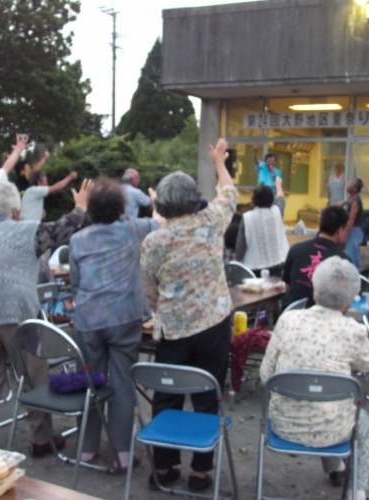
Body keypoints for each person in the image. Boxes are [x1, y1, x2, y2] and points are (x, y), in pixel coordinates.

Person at [0, 177, 89, 453]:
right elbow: (61, 230)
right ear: (15, 211)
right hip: (18, 314)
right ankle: (41, 439)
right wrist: (80, 207)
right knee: (33, 377)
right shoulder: (27, 231)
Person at [140, 138, 237, 493]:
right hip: (214, 324)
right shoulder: (211, 222)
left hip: (174, 329)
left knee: (167, 396)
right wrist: (219, 163)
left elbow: (149, 288)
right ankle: (200, 472)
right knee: (208, 396)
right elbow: (228, 193)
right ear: (194, 198)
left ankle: (163, 468)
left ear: (161, 205)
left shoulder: (154, 241)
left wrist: (160, 311)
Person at [260, 256, 369, 500]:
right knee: (360, 421)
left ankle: (336, 468)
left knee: (327, 401)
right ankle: (357, 493)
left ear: (314, 292)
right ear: (349, 302)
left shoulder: (288, 320)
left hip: (282, 425)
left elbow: (266, 375)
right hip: (332, 429)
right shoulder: (352, 331)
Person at [69, 177, 160, 470]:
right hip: (124, 318)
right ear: (122, 206)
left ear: (91, 209)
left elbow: (75, 283)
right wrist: (155, 200)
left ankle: (86, 448)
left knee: (91, 382)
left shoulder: (77, 239)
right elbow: (159, 220)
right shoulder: (134, 229)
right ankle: (123, 452)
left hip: (88, 319)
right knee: (122, 383)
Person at [281, 205, 350, 309]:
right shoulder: (343, 261)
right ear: (340, 231)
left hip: (290, 316)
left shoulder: (296, 250)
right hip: (324, 321)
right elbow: (343, 302)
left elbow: (287, 286)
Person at [234, 177, 289, 276]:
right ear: (271, 198)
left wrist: (234, 265)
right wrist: (278, 184)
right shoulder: (277, 212)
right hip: (278, 266)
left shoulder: (246, 218)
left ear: (253, 199)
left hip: (254, 270)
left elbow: (240, 249)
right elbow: (281, 199)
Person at [342, 177, 364, 270]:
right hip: (353, 230)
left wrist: (345, 235)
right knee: (352, 255)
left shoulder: (355, 202)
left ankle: (355, 278)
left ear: (355, 189)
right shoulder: (350, 199)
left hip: (354, 231)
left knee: (352, 257)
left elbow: (351, 220)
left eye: (350, 184)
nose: (347, 185)